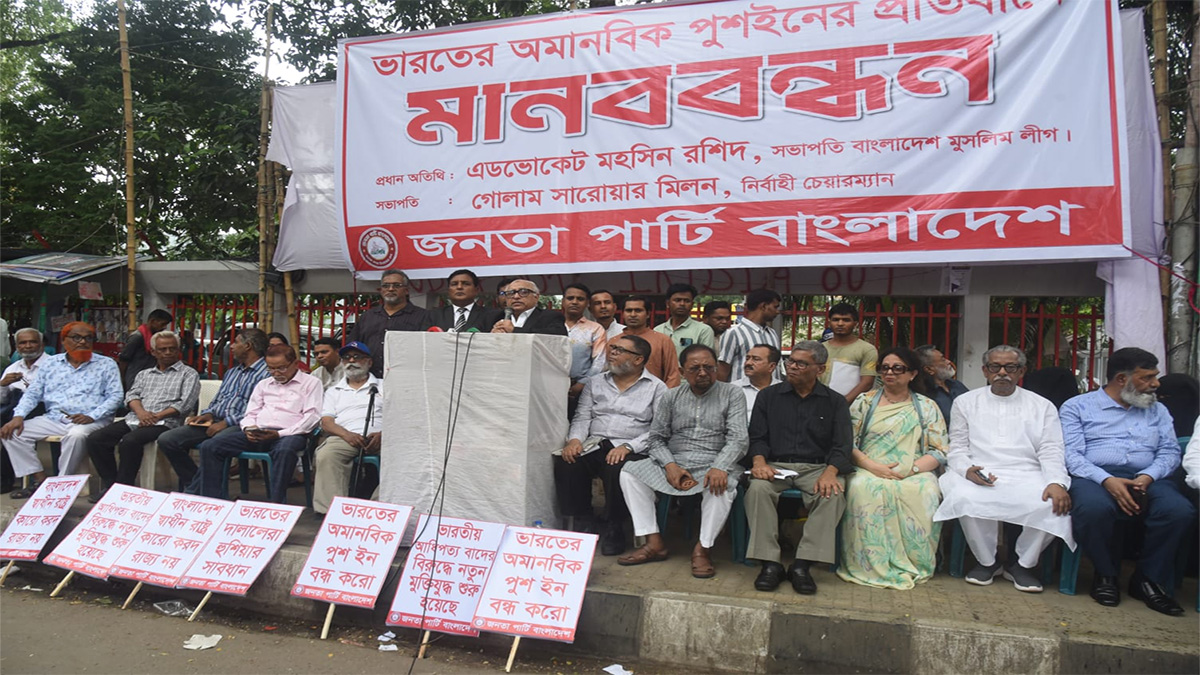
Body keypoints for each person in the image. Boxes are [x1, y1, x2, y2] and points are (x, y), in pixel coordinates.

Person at [1061, 347, 1194, 616]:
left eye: (1155, 376)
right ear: (1121, 379)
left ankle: (1147, 579)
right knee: (1093, 509)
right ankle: (1106, 574)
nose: (1156, 384)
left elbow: (1170, 451)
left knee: (1178, 511)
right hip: (1095, 475)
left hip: (1148, 476)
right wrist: (1107, 480)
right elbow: (1071, 455)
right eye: (1147, 377)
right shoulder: (1077, 407)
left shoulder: (1157, 410)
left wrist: (1148, 476)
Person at [933, 345, 1073, 593]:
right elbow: (957, 447)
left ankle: (1022, 564)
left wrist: (1056, 482)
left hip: (1028, 472)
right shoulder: (965, 402)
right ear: (985, 371)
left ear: (1022, 371)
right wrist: (967, 470)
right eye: (995, 367)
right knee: (965, 495)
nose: (1002, 373)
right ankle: (987, 562)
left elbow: (1051, 449)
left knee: (1051, 502)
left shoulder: (1042, 406)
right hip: (978, 469)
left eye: (1010, 367)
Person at [617, 345, 747, 578]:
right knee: (629, 473)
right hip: (675, 459)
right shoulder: (671, 396)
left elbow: (738, 438)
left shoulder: (732, 394)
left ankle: (703, 549)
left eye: (709, 367)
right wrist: (670, 466)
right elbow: (656, 438)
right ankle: (653, 541)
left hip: (714, 460)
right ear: (682, 371)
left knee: (722, 485)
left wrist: (720, 466)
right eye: (695, 368)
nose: (703, 373)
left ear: (716, 369)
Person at [745, 341, 853, 594]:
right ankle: (770, 564)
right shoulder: (768, 396)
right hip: (775, 465)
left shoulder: (835, 402)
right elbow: (757, 437)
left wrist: (831, 472)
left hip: (817, 468)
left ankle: (802, 565)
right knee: (758, 489)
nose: (792, 367)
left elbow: (842, 445)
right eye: (790, 361)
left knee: (832, 493)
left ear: (820, 369)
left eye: (801, 364)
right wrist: (759, 462)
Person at [838, 346, 947, 589]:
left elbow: (939, 450)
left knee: (926, 492)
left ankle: (914, 563)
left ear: (913, 374)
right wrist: (872, 466)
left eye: (898, 368)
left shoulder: (927, 407)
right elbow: (848, 443)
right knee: (862, 489)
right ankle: (869, 565)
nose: (890, 373)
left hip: (914, 469)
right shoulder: (864, 402)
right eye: (884, 368)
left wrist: (910, 470)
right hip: (868, 466)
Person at [557, 334, 666, 556]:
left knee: (618, 468)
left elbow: (659, 430)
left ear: (638, 359)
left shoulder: (657, 388)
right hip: (595, 443)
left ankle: (614, 525)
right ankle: (583, 520)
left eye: (619, 350)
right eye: (612, 348)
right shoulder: (595, 382)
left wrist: (628, 447)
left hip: (633, 447)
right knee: (568, 462)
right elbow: (582, 416)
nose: (612, 353)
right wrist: (575, 440)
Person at [0, 322, 123, 498]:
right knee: (11, 433)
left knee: (76, 435)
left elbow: (116, 396)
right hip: (55, 418)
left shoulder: (106, 364)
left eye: (88, 338)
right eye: (76, 337)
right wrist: (18, 416)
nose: (83, 342)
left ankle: (60, 486)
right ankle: (40, 479)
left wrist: (91, 415)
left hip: (92, 420)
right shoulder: (51, 363)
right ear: (64, 340)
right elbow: (33, 393)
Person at [198, 344, 322, 504]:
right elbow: (250, 413)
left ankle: (276, 503)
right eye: (271, 369)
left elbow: (312, 417)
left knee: (284, 450)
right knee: (210, 446)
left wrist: (279, 434)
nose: (276, 373)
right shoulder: (264, 384)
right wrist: (249, 429)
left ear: (295, 364)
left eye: (281, 368)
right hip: (259, 431)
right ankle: (212, 501)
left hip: (290, 434)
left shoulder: (311, 383)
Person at [85, 331, 200, 499]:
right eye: (162, 349)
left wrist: (156, 416)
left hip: (166, 423)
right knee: (96, 439)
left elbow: (185, 404)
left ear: (178, 350)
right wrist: (141, 413)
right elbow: (131, 396)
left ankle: (123, 489)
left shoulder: (189, 374)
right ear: (153, 352)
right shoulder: (144, 374)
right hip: (136, 418)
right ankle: (111, 485)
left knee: (130, 441)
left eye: (172, 349)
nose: (168, 352)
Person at [156, 328, 270, 491]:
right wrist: (207, 414)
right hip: (215, 421)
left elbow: (261, 409)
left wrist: (226, 423)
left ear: (248, 346)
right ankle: (197, 484)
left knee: (213, 445)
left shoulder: (267, 374)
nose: (231, 346)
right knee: (167, 439)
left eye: (236, 342)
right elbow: (218, 399)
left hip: (241, 424)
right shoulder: (233, 372)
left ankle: (194, 492)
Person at [312, 342, 383, 515]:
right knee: (326, 455)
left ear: (369, 362)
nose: (351, 361)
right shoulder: (334, 390)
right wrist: (346, 435)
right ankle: (331, 512)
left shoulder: (384, 385)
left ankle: (378, 507)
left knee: (404, 457)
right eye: (346, 358)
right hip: (345, 437)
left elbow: (400, 417)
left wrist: (383, 434)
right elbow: (327, 422)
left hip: (382, 438)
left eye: (357, 357)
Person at [348, 269, 432, 377]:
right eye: (386, 286)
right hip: (369, 378)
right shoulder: (368, 316)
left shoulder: (423, 316)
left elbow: (427, 349)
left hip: (405, 377)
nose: (391, 289)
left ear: (406, 290)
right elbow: (353, 346)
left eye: (397, 285)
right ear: (381, 290)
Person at [561, 283, 607, 414]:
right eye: (570, 298)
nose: (575, 302)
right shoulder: (552, 325)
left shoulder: (595, 328)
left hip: (582, 389)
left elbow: (600, 361)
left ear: (587, 303)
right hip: (551, 385)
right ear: (563, 301)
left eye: (580, 299)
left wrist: (581, 384)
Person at [717, 289, 781, 383]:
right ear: (763, 306)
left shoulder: (772, 333)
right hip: (742, 391)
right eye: (775, 307)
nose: (777, 311)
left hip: (772, 390)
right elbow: (723, 369)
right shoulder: (734, 333)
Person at [820, 303, 877, 403]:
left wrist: (842, 403)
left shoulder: (867, 349)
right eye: (836, 319)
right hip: (819, 403)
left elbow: (867, 383)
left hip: (853, 407)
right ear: (829, 322)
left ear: (855, 324)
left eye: (846, 320)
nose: (840, 323)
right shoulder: (820, 348)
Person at [619, 296, 680, 388]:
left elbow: (673, 376)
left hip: (656, 395)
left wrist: (664, 396)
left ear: (648, 314)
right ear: (623, 314)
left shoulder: (663, 340)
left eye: (638, 310)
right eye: (629, 310)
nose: (633, 314)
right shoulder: (614, 342)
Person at [432, 269, 502, 333]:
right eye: (454, 284)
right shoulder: (434, 315)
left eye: (466, 284)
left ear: (476, 290)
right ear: (448, 290)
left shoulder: (492, 316)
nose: (459, 287)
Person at [491, 279, 569, 336]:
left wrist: (514, 330)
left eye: (523, 292)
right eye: (511, 293)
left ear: (536, 296)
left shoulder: (550, 317)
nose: (516, 296)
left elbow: (557, 337)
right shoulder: (495, 317)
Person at [119, 309, 173, 390]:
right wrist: (122, 380)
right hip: (135, 379)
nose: (164, 327)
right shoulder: (137, 337)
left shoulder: (155, 337)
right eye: (163, 324)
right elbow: (124, 359)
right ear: (153, 321)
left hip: (150, 379)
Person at [915, 344, 968, 423]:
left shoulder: (956, 385)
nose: (948, 362)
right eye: (943, 359)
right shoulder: (923, 396)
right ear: (929, 369)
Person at [654, 283, 715, 351]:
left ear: (692, 305)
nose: (682, 304)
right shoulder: (658, 330)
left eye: (687, 301)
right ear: (668, 304)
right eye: (677, 300)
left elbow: (706, 356)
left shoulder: (703, 330)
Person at [1, 328, 49, 412]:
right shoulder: (12, 368)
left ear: (42, 344)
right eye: (22, 343)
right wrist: (3, 385)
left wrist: (36, 391)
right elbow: (2, 400)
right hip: (13, 410)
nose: (28, 346)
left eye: (33, 342)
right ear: (16, 347)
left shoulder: (55, 366)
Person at [732, 343, 781, 422]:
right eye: (747, 358)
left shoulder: (783, 390)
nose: (748, 363)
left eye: (756, 359)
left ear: (771, 366)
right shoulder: (733, 389)